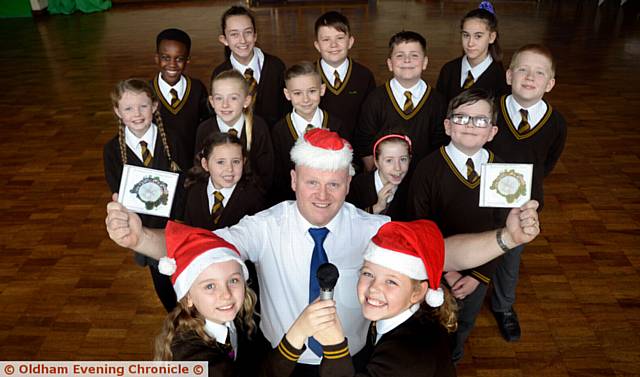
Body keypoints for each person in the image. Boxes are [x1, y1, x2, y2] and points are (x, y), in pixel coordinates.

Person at [106, 129, 541, 376]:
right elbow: (202, 249)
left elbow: (440, 252)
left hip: (354, 360)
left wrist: (507, 238)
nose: (322, 194)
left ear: (349, 185)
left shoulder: (371, 226)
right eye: (312, 182)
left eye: (334, 184)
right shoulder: (266, 225)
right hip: (279, 357)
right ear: (294, 179)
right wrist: (140, 238)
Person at [269, 220, 457, 377]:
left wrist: (335, 347)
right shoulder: (392, 319)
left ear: (417, 293)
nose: (374, 288)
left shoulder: (409, 356)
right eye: (368, 274)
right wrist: (299, 331)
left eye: (391, 281)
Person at [408, 88, 508, 362]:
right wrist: (446, 272)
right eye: (462, 118)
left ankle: (454, 355)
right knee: (431, 321)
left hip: (479, 273)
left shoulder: (502, 172)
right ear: (448, 126)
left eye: (480, 120)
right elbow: (420, 222)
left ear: (492, 131)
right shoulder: (428, 168)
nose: (471, 126)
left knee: (464, 323)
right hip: (436, 270)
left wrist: (480, 276)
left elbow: (503, 230)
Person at [486, 44, 567, 342]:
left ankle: (504, 306)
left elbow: (547, 162)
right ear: (509, 76)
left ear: (550, 83)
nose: (530, 77)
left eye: (539, 73)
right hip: (481, 199)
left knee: (511, 255)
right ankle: (461, 298)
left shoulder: (556, 123)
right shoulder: (490, 109)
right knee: (475, 248)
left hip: (520, 206)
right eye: (523, 69)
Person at [102, 78, 183, 312]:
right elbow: (117, 189)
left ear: (155, 106)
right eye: (128, 108)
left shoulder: (174, 140)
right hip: (145, 230)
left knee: (187, 277)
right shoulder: (112, 150)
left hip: (177, 225)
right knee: (163, 284)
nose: (137, 114)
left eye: (143, 106)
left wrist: (179, 220)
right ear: (118, 111)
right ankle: (177, 322)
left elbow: (187, 181)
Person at [153, 221, 270, 377]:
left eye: (233, 280)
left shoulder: (240, 320)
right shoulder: (187, 354)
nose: (226, 295)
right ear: (188, 297)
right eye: (210, 286)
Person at [354, 31, 448, 172]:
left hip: (423, 178)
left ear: (425, 63)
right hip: (385, 178)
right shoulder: (375, 99)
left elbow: (441, 145)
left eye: (414, 55)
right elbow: (364, 142)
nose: (407, 60)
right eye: (400, 56)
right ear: (390, 64)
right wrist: (378, 176)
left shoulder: (438, 101)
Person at [271, 62, 345, 203]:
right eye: (297, 93)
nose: (305, 99)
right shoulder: (279, 131)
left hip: (330, 200)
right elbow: (277, 177)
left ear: (322, 90)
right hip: (293, 202)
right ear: (287, 94)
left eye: (312, 91)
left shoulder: (337, 125)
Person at [195, 69, 274, 194]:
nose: (225, 105)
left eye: (233, 98)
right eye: (219, 98)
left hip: (252, 197)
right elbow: (200, 169)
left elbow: (267, 172)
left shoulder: (258, 127)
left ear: (246, 101)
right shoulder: (204, 129)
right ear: (212, 102)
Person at [212, 5, 290, 128]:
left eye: (247, 32)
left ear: (255, 35)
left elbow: (286, 110)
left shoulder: (276, 67)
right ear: (224, 39)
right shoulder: (220, 73)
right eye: (234, 34)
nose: (242, 40)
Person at [313, 11, 377, 143]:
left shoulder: (364, 76)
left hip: (357, 152)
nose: (333, 45)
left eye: (340, 38)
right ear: (317, 45)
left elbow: (370, 121)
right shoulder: (307, 76)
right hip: (319, 154)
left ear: (350, 42)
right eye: (326, 40)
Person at [151, 28, 210, 170]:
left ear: (188, 60)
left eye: (179, 59)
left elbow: (207, 124)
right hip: (160, 166)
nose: (172, 64)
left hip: (193, 163)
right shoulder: (146, 92)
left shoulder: (197, 88)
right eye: (165, 57)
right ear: (157, 58)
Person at [184, 132, 265, 231]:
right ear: (205, 164)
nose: (229, 169)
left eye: (236, 161)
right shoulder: (194, 193)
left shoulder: (253, 198)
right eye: (221, 162)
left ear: (243, 162)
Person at [436, 2, 509, 104]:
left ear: (491, 37)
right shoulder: (448, 70)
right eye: (466, 35)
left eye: (478, 36)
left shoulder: (501, 79)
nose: (470, 43)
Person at [346, 132, 412, 220]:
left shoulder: (412, 187)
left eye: (403, 159)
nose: (397, 168)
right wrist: (378, 207)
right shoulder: (358, 184)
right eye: (389, 160)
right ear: (376, 162)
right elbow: (349, 221)